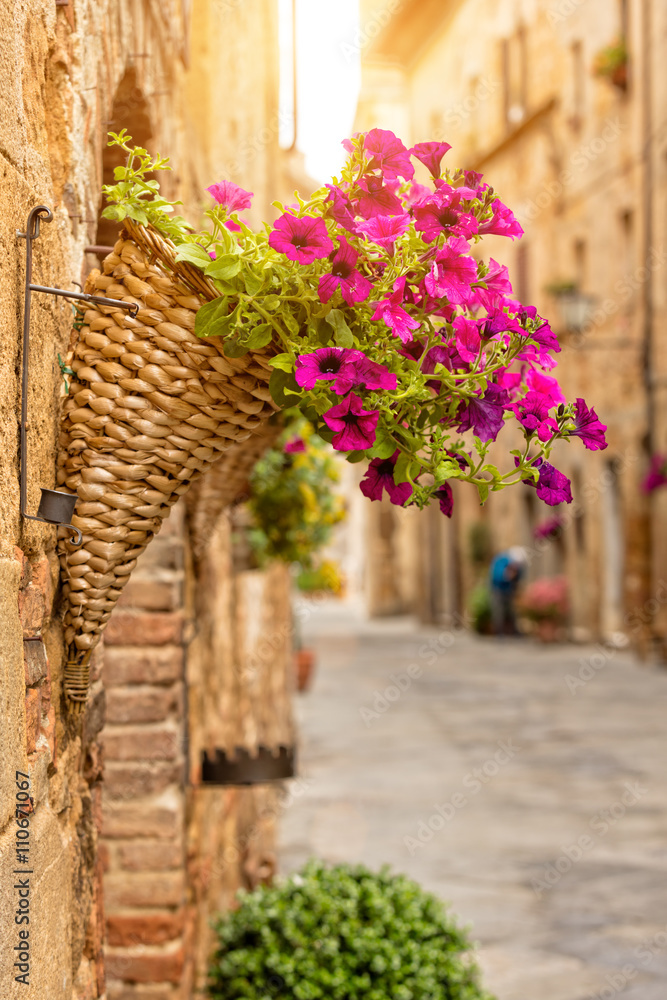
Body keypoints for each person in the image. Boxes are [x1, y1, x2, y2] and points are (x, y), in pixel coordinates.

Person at [489, 546, 527, 636]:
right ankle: (499, 631)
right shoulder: (501, 561)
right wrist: (506, 576)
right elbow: (496, 576)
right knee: (498, 610)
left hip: (510, 590)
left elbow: (519, 576)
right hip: (498, 589)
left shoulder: (518, 565)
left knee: (512, 610)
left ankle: (514, 630)